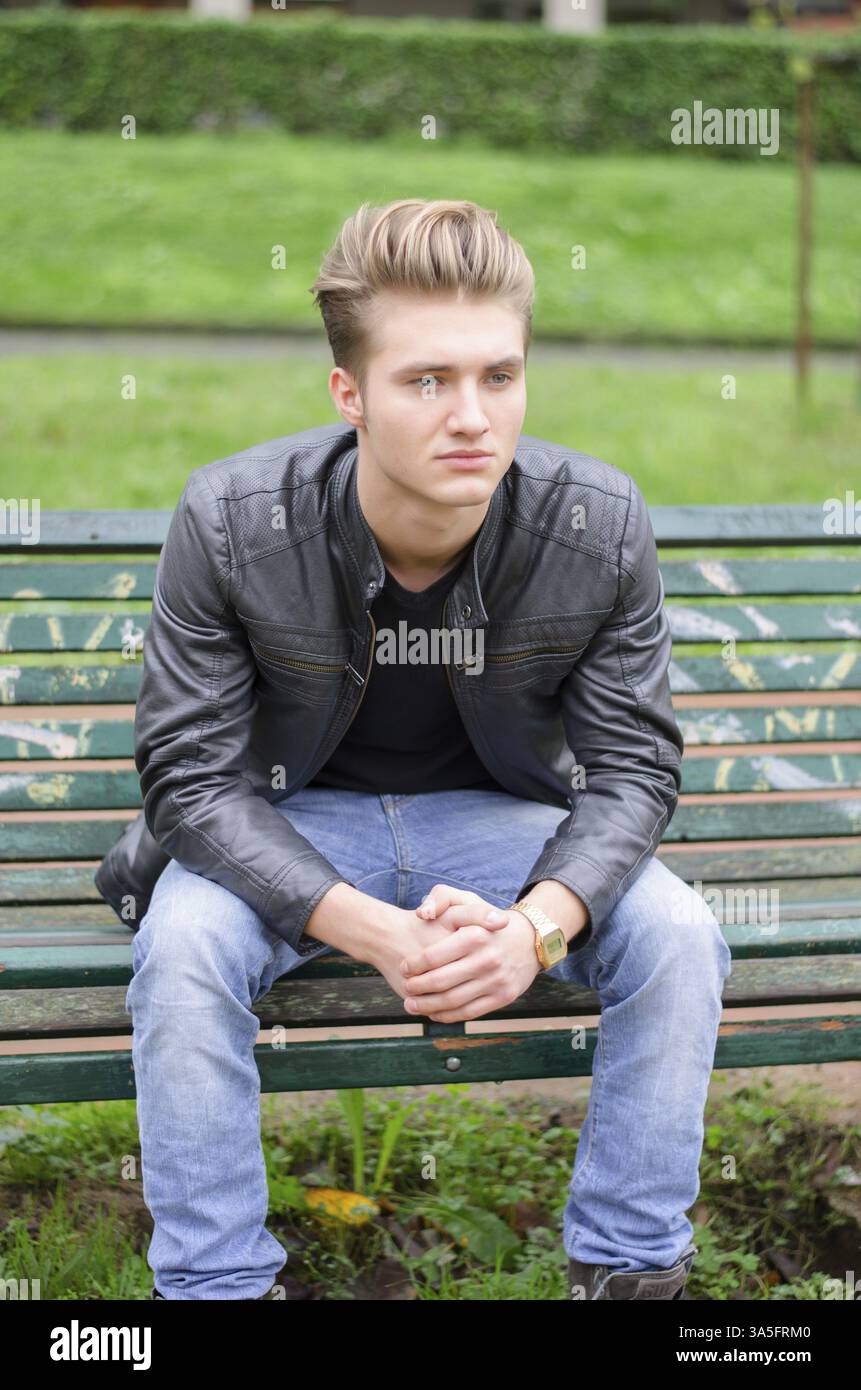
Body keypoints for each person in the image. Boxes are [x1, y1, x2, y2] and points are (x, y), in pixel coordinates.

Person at [101, 198, 732, 1301]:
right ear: (348, 394)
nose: (472, 417)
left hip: (498, 827)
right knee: (184, 944)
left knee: (679, 933)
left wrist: (534, 931)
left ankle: (630, 1274)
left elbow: (633, 770)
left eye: (500, 375)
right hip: (284, 824)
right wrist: (376, 931)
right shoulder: (233, 519)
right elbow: (191, 779)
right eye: (427, 380)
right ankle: (214, 1286)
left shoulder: (596, 523)